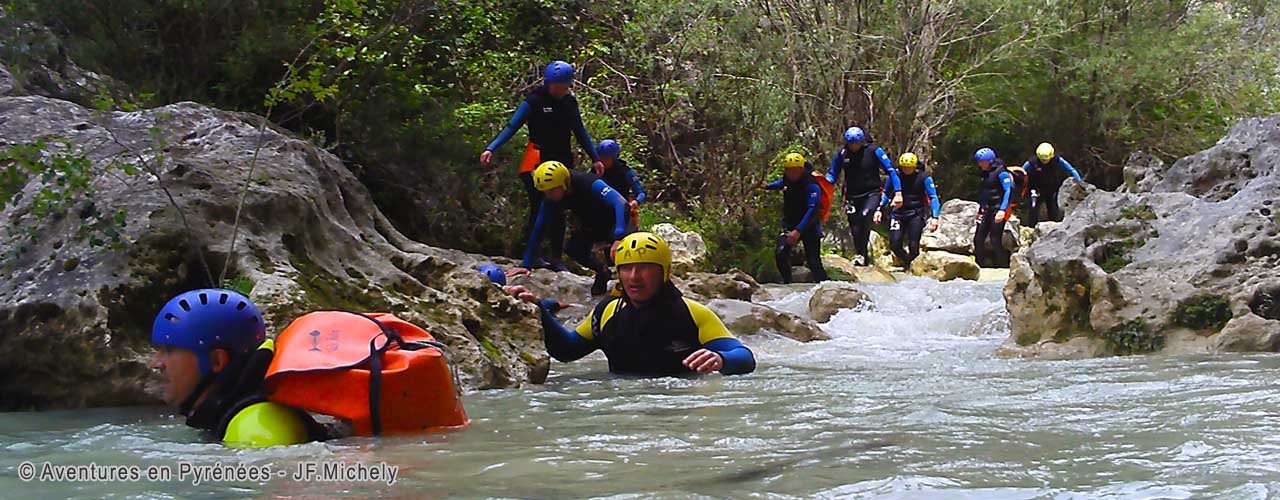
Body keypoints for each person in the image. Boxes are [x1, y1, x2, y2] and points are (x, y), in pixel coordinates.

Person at [507, 232, 755, 376]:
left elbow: (744, 357)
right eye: (626, 268)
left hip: (679, 411)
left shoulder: (692, 313)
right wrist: (538, 311)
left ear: (664, 273)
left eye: (645, 268)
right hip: (624, 412)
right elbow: (567, 350)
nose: (634, 277)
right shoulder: (607, 311)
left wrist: (721, 359)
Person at [149, 289, 326, 447]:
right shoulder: (230, 416)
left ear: (217, 361)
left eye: (169, 350)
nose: (156, 363)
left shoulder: (258, 427)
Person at [480, 60, 604, 266]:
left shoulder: (569, 103)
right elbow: (512, 126)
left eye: (565, 87)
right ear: (548, 83)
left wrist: (595, 157)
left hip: (562, 161)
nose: (561, 90)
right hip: (536, 160)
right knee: (539, 207)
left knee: (560, 209)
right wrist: (491, 147)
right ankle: (531, 256)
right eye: (557, 86)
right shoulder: (534, 101)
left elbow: (580, 131)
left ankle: (556, 258)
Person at [510, 161, 630, 295]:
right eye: (545, 191)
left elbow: (621, 204)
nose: (548, 195)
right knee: (574, 249)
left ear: (565, 183)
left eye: (551, 190)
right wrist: (526, 264)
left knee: (623, 254)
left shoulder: (587, 181)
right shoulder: (551, 196)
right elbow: (539, 228)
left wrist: (619, 237)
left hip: (619, 221)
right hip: (593, 223)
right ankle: (602, 271)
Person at [825, 126, 902, 266]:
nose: (854, 146)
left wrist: (898, 193)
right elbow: (832, 174)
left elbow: (891, 171)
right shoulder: (842, 154)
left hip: (872, 193)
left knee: (866, 215)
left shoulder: (873, 151)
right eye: (851, 144)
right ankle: (861, 255)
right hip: (852, 196)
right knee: (855, 226)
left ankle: (861, 254)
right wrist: (822, 183)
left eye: (856, 143)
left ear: (862, 142)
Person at [764, 152, 829, 283]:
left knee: (814, 262)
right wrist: (766, 186)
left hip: (809, 226)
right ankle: (788, 285)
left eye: (795, 170)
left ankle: (827, 287)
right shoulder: (787, 179)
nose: (792, 173)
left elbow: (812, 210)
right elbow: (781, 183)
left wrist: (798, 231)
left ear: (801, 169)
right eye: (789, 170)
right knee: (781, 254)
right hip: (790, 224)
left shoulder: (811, 184)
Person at [873, 153, 940, 268]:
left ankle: (913, 267)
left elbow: (933, 197)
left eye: (909, 167)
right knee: (895, 244)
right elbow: (886, 193)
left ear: (914, 167)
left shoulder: (924, 178)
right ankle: (907, 261)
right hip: (898, 214)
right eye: (904, 167)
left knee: (913, 245)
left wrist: (935, 217)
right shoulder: (895, 177)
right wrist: (879, 209)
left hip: (916, 214)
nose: (907, 170)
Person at [1021, 142, 1082, 227]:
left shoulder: (1057, 160)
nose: (1044, 161)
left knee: (1053, 207)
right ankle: (1031, 227)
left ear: (1051, 156)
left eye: (1046, 159)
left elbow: (1071, 169)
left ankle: (1054, 227)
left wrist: (1079, 182)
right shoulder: (1033, 161)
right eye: (1042, 159)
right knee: (1033, 207)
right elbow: (1021, 171)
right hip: (1035, 188)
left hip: (1051, 188)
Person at [973, 147, 1015, 268]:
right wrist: (980, 209)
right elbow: (984, 192)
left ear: (990, 161)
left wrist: (1002, 210)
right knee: (978, 238)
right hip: (987, 209)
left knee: (994, 239)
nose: (980, 164)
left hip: (999, 208)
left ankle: (1003, 266)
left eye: (982, 162)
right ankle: (979, 266)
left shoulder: (1001, 172)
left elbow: (1008, 190)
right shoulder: (984, 173)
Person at [595, 139, 646, 230]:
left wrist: (635, 202)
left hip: (622, 210)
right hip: (602, 211)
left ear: (614, 158)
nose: (603, 161)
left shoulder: (625, 171)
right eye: (601, 158)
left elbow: (641, 193)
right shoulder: (597, 170)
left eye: (606, 158)